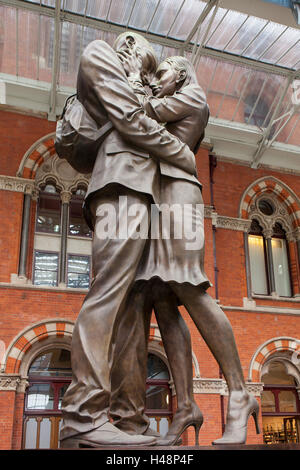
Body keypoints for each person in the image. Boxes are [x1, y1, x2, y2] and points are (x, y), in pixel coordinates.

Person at [110, 56, 260, 446]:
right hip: (160, 197)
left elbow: (140, 111)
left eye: (163, 73)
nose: (158, 79)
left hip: (180, 196)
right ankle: (186, 407)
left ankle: (240, 393)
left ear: (182, 73)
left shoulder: (191, 96)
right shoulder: (177, 96)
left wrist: (132, 79)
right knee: (162, 300)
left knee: (190, 287)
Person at [59, 34, 199, 448]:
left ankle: (128, 422)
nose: (151, 80)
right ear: (132, 49)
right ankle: (83, 414)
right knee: (107, 296)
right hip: (119, 186)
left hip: (145, 195)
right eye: (147, 67)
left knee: (132, 310)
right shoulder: (99, 54)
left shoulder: (137, 84)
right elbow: (130, 120)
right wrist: (182, 155)